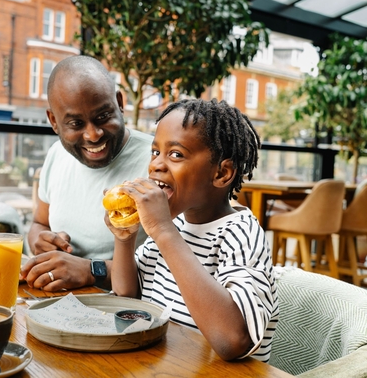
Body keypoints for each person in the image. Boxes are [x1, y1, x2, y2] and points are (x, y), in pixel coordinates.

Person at [105, 98, 279, 362]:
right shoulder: (175, 226)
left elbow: (233, 340)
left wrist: (163, 232)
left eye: (176, 154)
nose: (156, 165)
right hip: (167, 365)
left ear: (222, 173)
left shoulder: (240, 233)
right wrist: (125, 239)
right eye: (155, 152)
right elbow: (129, 296)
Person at [20, 55, 152, 291]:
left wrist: (91, 270)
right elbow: (39, 223)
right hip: (55, 303)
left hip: (126, 313)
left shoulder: (157, 162)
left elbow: (172, 268)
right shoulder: (57, 154)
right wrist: (40, 242)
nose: (93, 135)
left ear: (120, 103)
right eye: (75, 124)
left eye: (103, 117)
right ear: (53, 121)